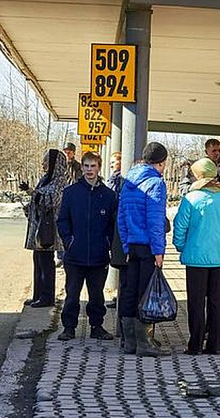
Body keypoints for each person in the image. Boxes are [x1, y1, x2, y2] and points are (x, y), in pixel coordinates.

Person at [173, 158, 220, 355]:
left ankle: (195, 344)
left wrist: (182, 246)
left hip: (196, 257)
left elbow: (179, 227)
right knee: (217, 302)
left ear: (198, 176)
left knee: (196, 302)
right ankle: (215, 345)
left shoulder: (191, 199)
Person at [56, 152, 117, 341]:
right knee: (72, 294)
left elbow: (112, 224)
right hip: (75, 254)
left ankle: (97, 326)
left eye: (93, 166)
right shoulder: (71, 192)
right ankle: (69, 327)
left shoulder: (109, 195)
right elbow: (62, 220)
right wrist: (69, 240)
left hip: (99, 255)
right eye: (86, 166)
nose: (90, 170)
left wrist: (107, 242)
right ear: (81, 167)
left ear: (99, 167)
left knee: (97, 294)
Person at [118, 142, 169, 357]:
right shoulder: (156, 183)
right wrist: (159, 251)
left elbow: (121, 217)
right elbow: (156, 220)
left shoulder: (128, 181)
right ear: (162, 162)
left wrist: (126, 244)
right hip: (148, 245)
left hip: (132, 245)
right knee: (145, 293)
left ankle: (129, 342)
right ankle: (144, 343)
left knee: (130, 291)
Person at [21, 149, 68, 308]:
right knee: (38, 260)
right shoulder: (45, 179)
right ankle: (37, 294)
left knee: (46, 262)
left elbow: (51, 200)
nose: (43, 164)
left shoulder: (60, 181)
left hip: (48, 230)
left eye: (46, 161)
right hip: (39, 226)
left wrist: (32, 192)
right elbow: (39, 198)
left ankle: (47, 297)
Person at [105, 151, 123, 309]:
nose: (111, 166)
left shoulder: (117, 179)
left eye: (114, 163)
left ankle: (119, 296)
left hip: (116, 223)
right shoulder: (115, 178)